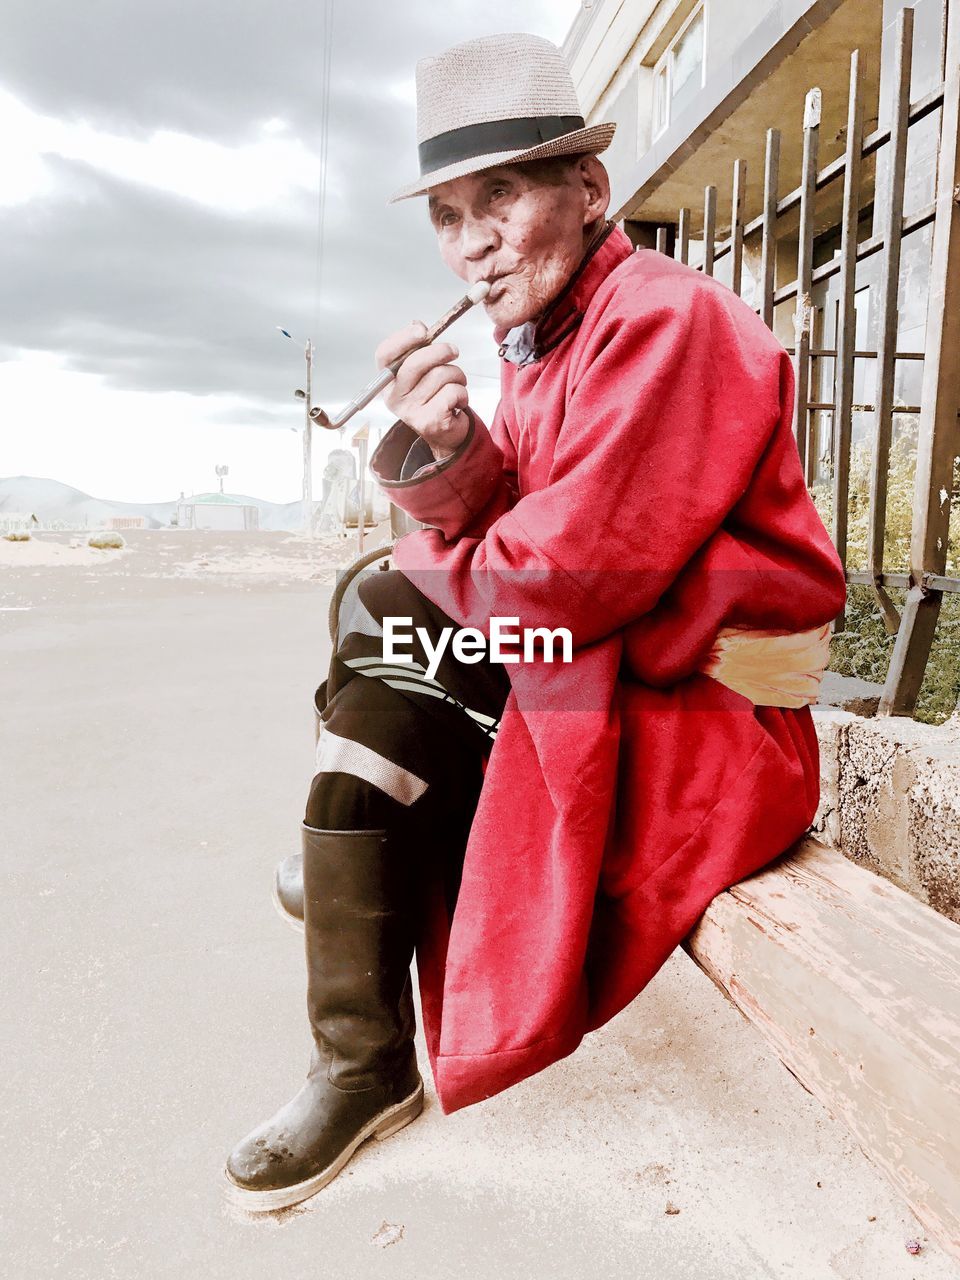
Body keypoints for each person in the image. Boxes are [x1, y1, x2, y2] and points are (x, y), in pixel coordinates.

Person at [225, 32, 846, 1211]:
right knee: (376, 653)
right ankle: (358, 1016)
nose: (475, 243)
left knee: (384, 630)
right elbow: (534, 518)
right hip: (595, 662)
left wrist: (436, 532)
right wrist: (452, 451)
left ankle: (360, 976)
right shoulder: (554, 336)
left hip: (699, 714)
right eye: (450, 217)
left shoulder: (665, 324)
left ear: (590, 190)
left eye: (501, 195)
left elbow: (561, 579)